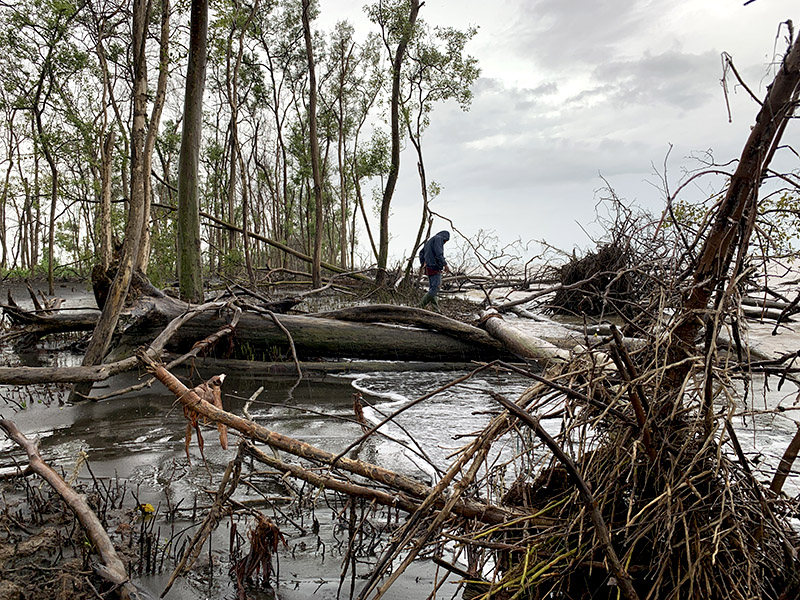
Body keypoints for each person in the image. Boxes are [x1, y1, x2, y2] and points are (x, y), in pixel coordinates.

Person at [418, 230, 450, 310]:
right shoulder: (438, 239)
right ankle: (420, 306)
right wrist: (444, 264)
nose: (445, 243)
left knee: (432, 288)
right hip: (435, 267)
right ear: (445, 238)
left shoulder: (430, 241)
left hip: (428, 268)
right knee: (436, 288)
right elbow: (439, 253)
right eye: (446, 241)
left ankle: (436, 310)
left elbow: (421, 253)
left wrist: (423, 264)